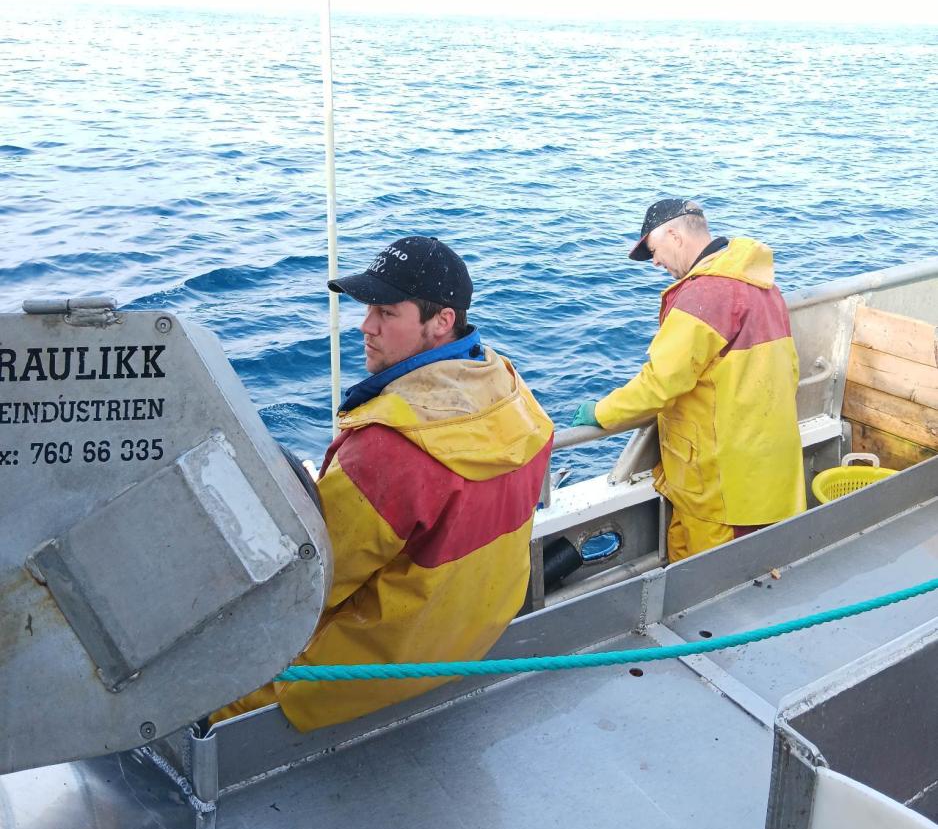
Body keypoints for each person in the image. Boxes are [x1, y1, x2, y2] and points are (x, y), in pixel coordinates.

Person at [213, 234, 553, 732]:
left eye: (387, 313)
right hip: (469, 645)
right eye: (367, 308)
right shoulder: (508, 387)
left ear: (442, 322)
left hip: (363, 676)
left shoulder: (386, 450)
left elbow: (306, 589)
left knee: (210, 700)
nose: (365, 327)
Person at [571, 198, 805, 562]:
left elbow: (659, 384)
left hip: (722, 485)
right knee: (753, 574)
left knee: (713, 587)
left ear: (674, 235)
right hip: (767, 467)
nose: (655, 262)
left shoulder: (705, 296)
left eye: (653, 249)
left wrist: (601, 412)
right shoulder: (762, 284)